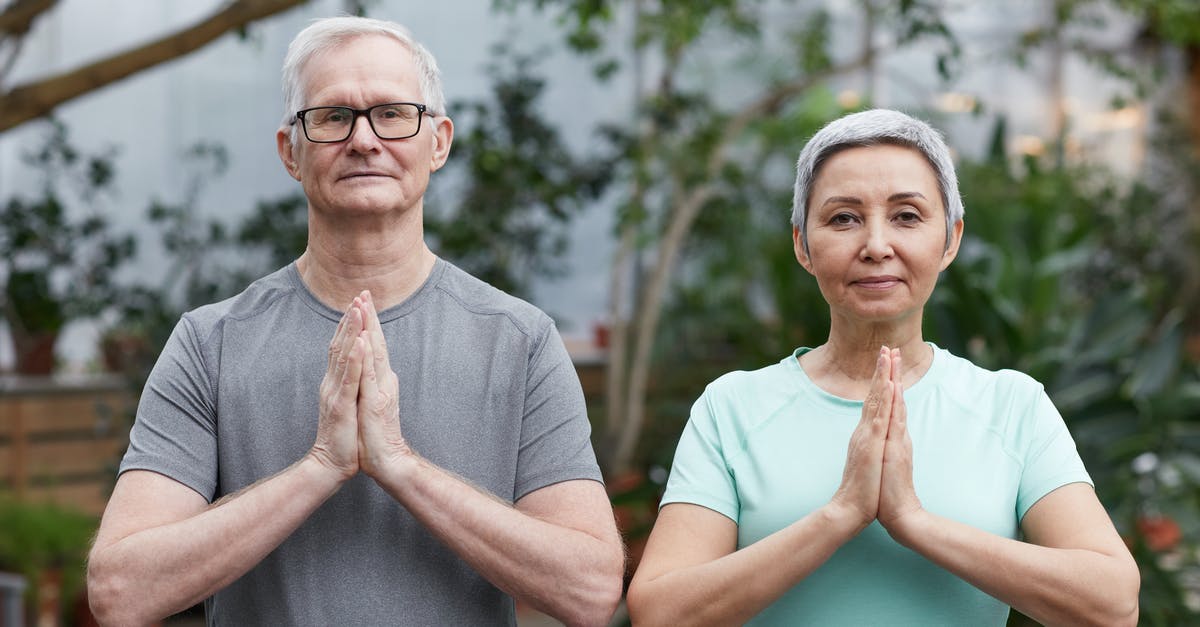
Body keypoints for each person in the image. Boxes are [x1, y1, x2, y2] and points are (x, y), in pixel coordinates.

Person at [86, 16, 623, 626]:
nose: (365, 140)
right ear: (291, 150)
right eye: (333, 117)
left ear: (438, 142)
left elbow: (590, 590)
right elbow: (120, 591)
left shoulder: (519, 341)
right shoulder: (211, 344)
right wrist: (320, 467)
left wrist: (399, 465)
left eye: (393, 113)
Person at [626, 109, 1140, 626]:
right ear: (803, 244)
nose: (875, 246)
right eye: (843, 218)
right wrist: (840, 514)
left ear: (951, 240)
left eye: (907, 216)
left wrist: (914, 521)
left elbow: (1112, 605)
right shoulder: (732, 408)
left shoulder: (1012, 407)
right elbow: (661, 613)